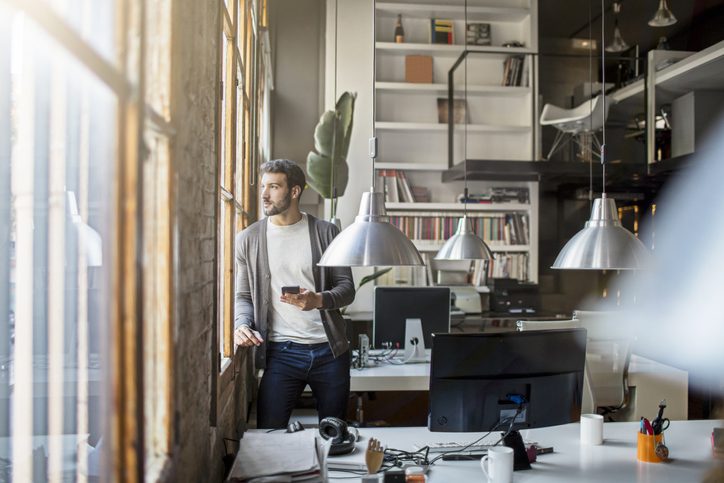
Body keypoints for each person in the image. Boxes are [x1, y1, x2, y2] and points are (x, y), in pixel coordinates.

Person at [234, 159, 355, 429]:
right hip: (281, 354)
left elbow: (347, 289)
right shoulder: (248, 239)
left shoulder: (326, 232)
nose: (264, 194)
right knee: (269, 432)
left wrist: (317, 301)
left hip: (330, 353)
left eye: (274, 187)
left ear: (295, 191)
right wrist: (241, 324)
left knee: (334, 434)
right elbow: (243, 296)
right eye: (263, 186)